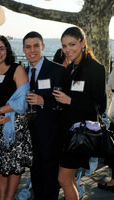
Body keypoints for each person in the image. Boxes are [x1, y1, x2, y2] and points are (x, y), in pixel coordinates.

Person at [54, 26, 106, 199]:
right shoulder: (71, 67)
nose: (68, 50)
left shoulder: (96, 68)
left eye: (72, 44)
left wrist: (70, 100)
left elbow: (100, 106)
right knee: (70, 180)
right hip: (66, 133)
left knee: (63, 179)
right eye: (64, 46)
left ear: (83, 43)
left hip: (80, 135)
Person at [0, 35, 32, 200]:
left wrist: (0, 110)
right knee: (1, 165)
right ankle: (2, 196)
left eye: (1, 48)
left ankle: (9, 198)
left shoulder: (17, 69)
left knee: (14, 166)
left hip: (14, 125)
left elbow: (23, 101)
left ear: (7, 50)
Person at [23, 31, 65, 200]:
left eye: (36, 46)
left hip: (50, 136)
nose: (32, 50)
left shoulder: (57, 70)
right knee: (36, 176)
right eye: (28, 46)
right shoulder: (23, 72)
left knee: (50, 179)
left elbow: (63, 103)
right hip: (29, 134)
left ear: (43, 47)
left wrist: (43, 101)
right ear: (24, 49)